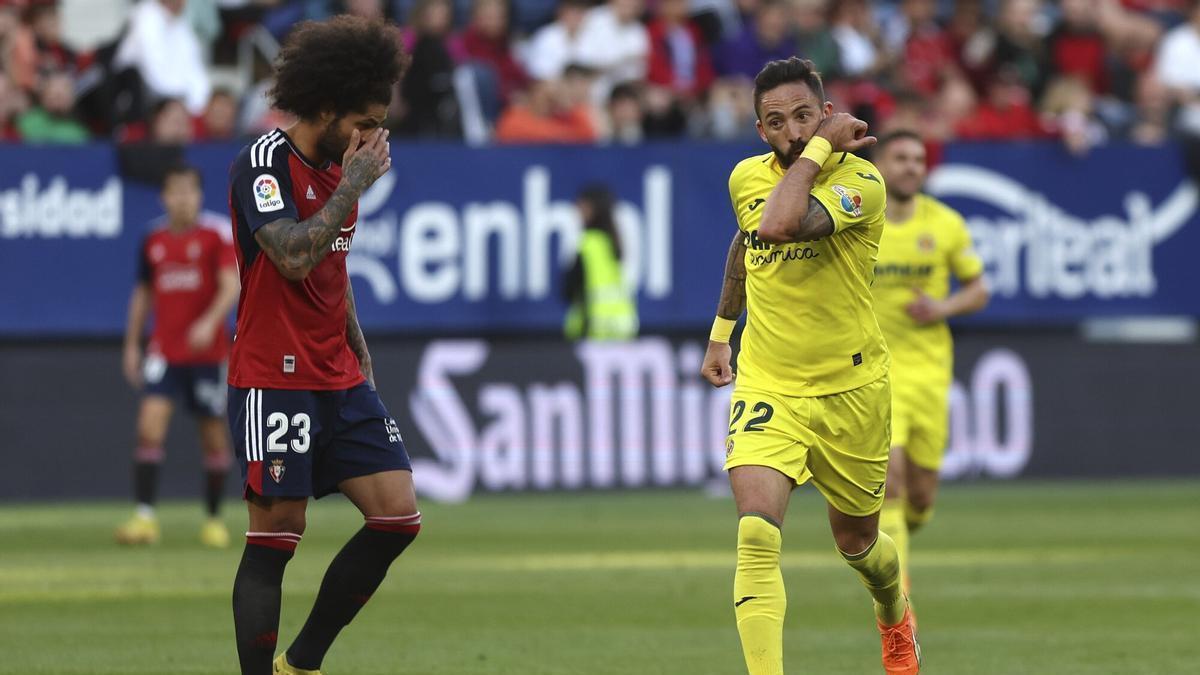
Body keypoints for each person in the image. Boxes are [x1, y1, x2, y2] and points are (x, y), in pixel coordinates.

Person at [699, 57, 921, 675]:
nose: (792, 131)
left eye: (804, 116)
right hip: (771, 382)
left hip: (851, 390)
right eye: (776, 122)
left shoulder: (863, 183)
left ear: (826, 115)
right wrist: (722, 334)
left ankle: (894, 611)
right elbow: (748, 240)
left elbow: (780, 221)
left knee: (859, 546)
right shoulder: (746, 177)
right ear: (759, 130)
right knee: (755, 534)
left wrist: (819, 151)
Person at [225, 16, 418, 675]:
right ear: (329, 109)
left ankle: (301, 662)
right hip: (273, 375)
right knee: (277, 537)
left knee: (397, 516)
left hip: (337, 373)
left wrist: (356, 343)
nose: (374, 137)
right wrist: (353, 185)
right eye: (365, 121)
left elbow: (334, 265)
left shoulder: (342, 167)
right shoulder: (264, 165)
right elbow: (293, 256)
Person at [870, 130, 989, 602]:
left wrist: (942, 309)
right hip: (874, 375)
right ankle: (898, 602)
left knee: (921, 499)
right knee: (891, 485)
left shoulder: (944, 224)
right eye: (900, 158)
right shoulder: (860, 224)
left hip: (929, 374)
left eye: (918, 159)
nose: (911, 167)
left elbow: (978, 289)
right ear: (879, 165)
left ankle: (895, 543)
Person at [116, 163, 239, 548]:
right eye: (175, 191)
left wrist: (209, 322)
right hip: (164, 351)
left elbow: (231, 285)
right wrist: (132, 343)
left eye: (190, 191)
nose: (183, 199)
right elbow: (143, 293)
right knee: (149, 425)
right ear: (163, 196)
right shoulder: (153, 239)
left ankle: (214, 520)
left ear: (200, 196)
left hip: (208, 353)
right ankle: (144, 518)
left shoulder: (215, 235)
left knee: (213, 436)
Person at [563, 184, 638, 340]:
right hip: (622, 330)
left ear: (591, 209)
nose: (577, 212)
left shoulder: (588, 244)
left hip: (593, 332)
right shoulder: (616, 243)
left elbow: (568, 290)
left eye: (581, 206)